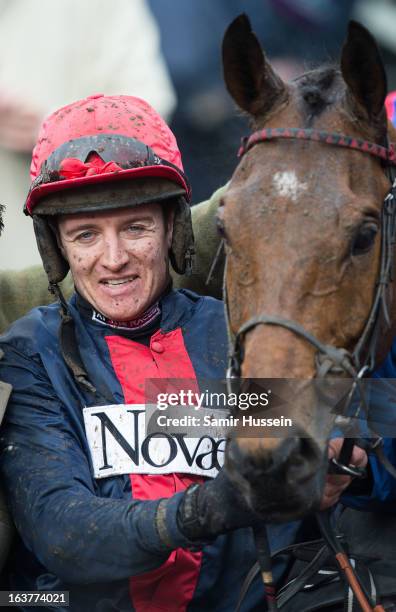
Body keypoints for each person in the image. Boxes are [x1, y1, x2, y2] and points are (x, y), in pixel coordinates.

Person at [0, 94, 366, 611]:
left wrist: (347, 455)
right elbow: (63, 531)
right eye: (86, 235)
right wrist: (213, 506)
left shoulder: (235, 330)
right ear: (59, 250)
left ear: (173, 228)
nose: (114, 259)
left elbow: (362, 411)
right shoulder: (29, 354)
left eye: (136, 227)